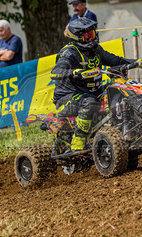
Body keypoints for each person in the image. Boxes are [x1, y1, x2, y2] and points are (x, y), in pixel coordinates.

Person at [51, 18, 134, 151]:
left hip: (91, 93)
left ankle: (126, 130)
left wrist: (138, 62)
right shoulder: (69, 54)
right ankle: (78, 141)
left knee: (118, 89)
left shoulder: (96, 50)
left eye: (92, 34)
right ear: (77, 37)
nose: (91, 38)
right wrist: (75, 72)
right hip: (67, 98)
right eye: (87, 35)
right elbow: (55, 72)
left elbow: (116, 61)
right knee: (90, 102)